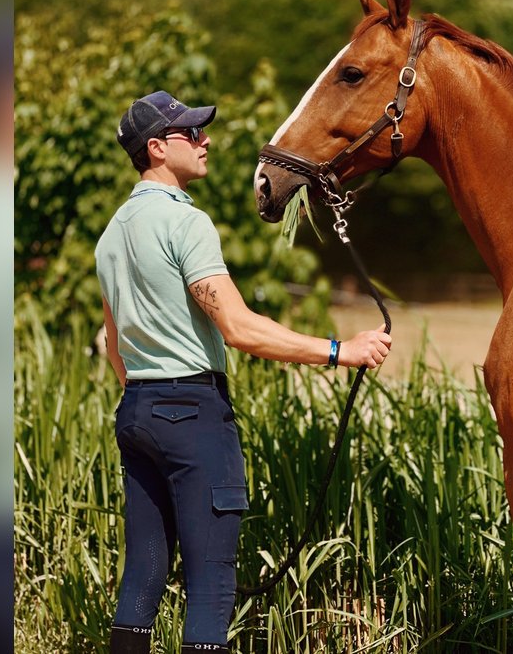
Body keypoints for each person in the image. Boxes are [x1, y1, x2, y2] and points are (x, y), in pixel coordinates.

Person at [95, 90, 391, 654]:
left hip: (136, 413)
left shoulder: (112, 234)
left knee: (143, 576)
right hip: (194, 413)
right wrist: (340, 350)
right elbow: (238, 327)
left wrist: (149, 401)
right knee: (210, 585)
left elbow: (115, 344)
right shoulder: (188, 224)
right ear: (156, 149)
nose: (206, 141)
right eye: (191, 133)